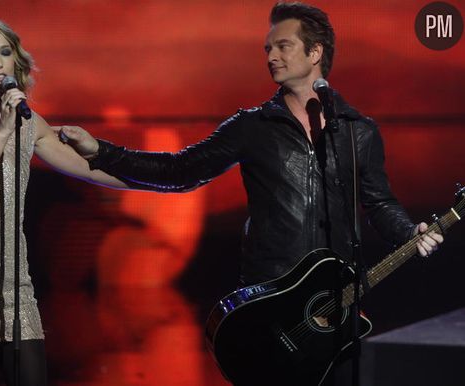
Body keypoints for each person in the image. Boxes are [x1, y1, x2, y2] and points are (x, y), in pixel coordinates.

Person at [58, 2, 444, 385]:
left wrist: (409, 232)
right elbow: (180, 171)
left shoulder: (358, 130)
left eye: (282, 46)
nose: (271, 56)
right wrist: (102, 151)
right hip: (270, 306)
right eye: (267, 49)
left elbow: (378, 201)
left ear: (315, 53)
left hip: (332, 308)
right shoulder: (251, 126)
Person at [0, 16, 155, 386]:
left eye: (5, 53)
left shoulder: (28, 121)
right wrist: (2, 132)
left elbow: (88, 170)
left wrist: (158, 184)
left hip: (8, 276)